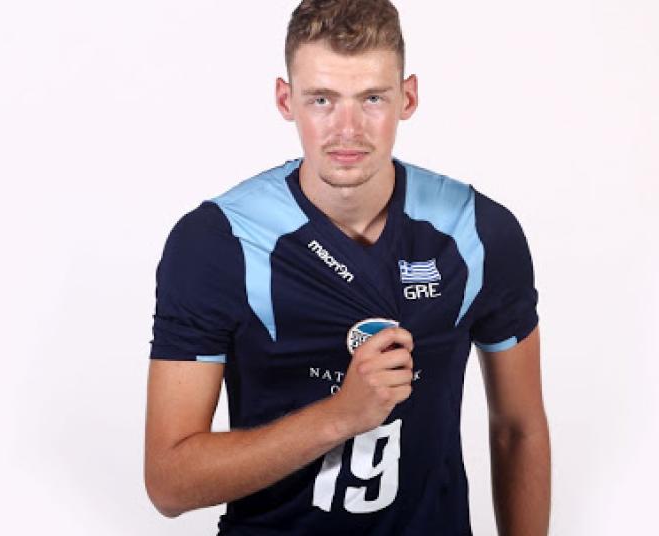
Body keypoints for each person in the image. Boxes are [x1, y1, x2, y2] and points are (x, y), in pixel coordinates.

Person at [144, 1, 551, 534]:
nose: (348, 129)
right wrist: (342, 415)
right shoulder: (219, 240)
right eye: (322, 100)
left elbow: (519, 429)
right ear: (285, 100)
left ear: (408, 98)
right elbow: (169, 483)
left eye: (372, 98)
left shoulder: (477, 231)